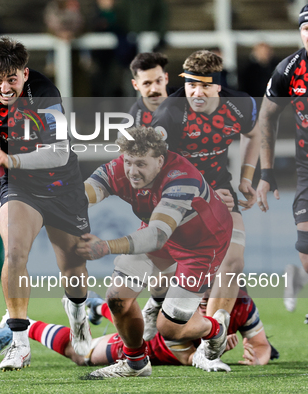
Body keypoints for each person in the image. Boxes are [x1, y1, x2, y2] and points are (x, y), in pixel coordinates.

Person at [0, 37, 93, 371]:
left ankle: (78, 315)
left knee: (72, 268)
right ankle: (20, 342)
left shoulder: (46, 94)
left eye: (12, 79)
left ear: (25, 74)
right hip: (20, 185)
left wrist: (9, 159)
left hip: (61, 184)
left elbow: (60, 151)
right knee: (14, 253)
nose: (4, 87)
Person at [76, 126, 233, 378]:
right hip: (159, 231)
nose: (132, 171)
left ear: (160, 160)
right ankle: (135, 363)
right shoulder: (122, 167)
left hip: (202, 245)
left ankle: (214, 329)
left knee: (169, 329)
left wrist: (106, 247)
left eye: (140, 164)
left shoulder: (182, 178)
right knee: (117, 297)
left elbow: (158, 235)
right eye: (128, 162)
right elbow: (84, 193)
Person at [149, 50, 261, 366]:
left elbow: (255, 134)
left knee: (234, 258)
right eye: (190, 86)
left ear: (218, 87)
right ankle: (158, 327)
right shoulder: (170, 112)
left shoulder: (240, 105)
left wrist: (247, 179)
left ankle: (211, 341)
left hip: (220, 187)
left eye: (204, 86)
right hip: (177, 194)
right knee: (162, 274)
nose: (196, 93)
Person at [0, 288, 279, 371]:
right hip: (149, 346)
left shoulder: (242, 304)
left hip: (158, 344)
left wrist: (256, 358)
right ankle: (19, 325)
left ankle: (96, 308)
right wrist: (205, 349)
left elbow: (262, 344)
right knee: (82, 354)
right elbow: (181, 352)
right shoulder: (182, 295)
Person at [257, 5, 308, 322]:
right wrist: (266, 172)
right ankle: (299, 274)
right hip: (307, 169)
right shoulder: (289, 70)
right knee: (305, 247)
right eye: (305, 29)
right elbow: (267, 115)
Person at [128, 52, 171, 127]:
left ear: (166, 78)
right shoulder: (130, 126)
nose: (154, 89)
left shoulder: (187, 101)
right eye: (147, 83)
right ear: (135, 85)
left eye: (158, 81)